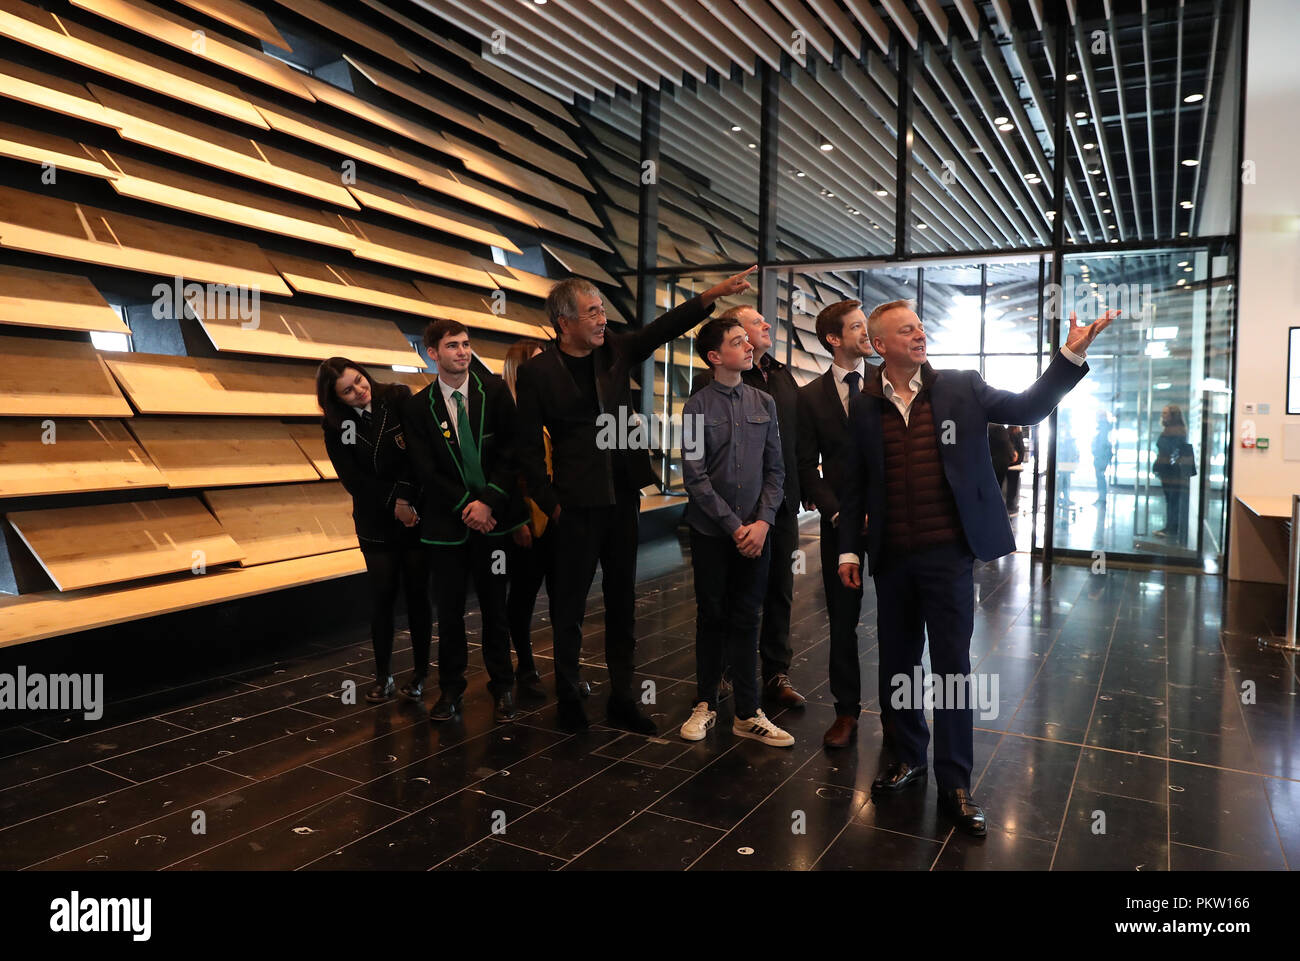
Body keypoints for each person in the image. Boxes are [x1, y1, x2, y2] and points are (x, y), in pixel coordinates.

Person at [837, 300, 1117, 836]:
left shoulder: (960, 386)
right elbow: (855, 485)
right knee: (897, 665)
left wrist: (1069, 356)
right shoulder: (865, 403)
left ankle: (956, 782)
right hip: (892, 557)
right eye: (906, 330)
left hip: (948, 555)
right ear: (879, 345)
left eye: (920, 326)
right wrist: (850, 550)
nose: (920, 335)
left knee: (953, 671)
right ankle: (907, 757)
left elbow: (1029, 407)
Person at [515, 266, 759, 735]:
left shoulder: (617, 351)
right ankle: (569, 698)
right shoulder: (537, 373)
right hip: (574, 504)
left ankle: (622, 698)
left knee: (622, 603)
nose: (602, 319)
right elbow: (525, 447)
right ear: (564, 322)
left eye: (602, 309)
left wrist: (716, 292)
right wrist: (552, 503)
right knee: (568, 606)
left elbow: (665, 327)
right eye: (592, 313)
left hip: (621, 497)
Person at [402, 319, 529, 724]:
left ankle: (503, 687)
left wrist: (488, 502)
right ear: (432, 354)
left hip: (494, 521)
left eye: (466, 344)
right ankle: (451, 692)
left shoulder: (492, 392)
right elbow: (424, 470)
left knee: (496, 608)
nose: (462, 351)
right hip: (447, 528)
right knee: (451, 614)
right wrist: (467, 506)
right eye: (453, 345)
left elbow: (513, 452)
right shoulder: (419, 407)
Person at [679, 315, 793, 747]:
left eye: (747, 340)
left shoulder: (765, 403)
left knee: (748, 619)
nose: (749, 346)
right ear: (714, 356)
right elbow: (695, 476)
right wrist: (734, 527)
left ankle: (747, 712)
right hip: (712, 534)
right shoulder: (695, 407)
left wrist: (762, 523)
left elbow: (776, 471)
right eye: (737, 341)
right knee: (711, 617)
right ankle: (706, 702)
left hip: (757, 535)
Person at [317, 357, 431, 704]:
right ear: (335, 398)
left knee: (417, 596)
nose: (358, 391)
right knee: (382, 597)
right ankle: (383, 676)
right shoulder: (335, 426)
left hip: (414, 513)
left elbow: (418, 455)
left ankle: (421, 674)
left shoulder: (397, 397)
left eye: (359, 381)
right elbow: (353, 480)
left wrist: (406, 500)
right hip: (375, 519)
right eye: (347, 390)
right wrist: (393, 503)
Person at [795, 299, 875, 748]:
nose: (866, 334)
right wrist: (839, 512)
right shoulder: (810, 397)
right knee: (843, 619)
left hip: (891, 518)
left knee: (902, 619)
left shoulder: (887, 382)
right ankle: (846, 711)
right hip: (840, 520)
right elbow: (807, 466)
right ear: (833, 338)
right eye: (858, 327)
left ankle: (902, 714)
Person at [501, 338, 552, 701]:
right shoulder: (510, 413)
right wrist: (518, 520)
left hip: (558, 517)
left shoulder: (553, 407)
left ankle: (565, 670)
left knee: (565, 597)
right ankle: (526, 665)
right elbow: (506, 474)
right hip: (527, 521)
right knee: (523, 596)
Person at [1152, 404, 1196, 544]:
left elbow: (1171, 449)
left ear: (1173, 415)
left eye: (1166, 413)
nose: (1163, 415)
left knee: (1173, 500)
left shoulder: (1176, 431)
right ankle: (1170, 527)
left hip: (1172, 470)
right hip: (1167, 469)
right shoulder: (1170, 429)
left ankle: (1172, 528)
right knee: (1170, 500)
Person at [1092, 411, 1113, 506]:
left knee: (1100, 478)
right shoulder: (1104, 427)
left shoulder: (1103, 426)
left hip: (1101, 458)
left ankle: (1102, 498)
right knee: (1100, 478)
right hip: (1100, 457)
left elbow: (1103, 444)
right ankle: (1101, 498)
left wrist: (1099, 457)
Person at [1005, 425, 1026, 513]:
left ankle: (1010, 505)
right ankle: (1010, 505)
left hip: (1012, 464)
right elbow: (1020, 449)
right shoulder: (1014, 434)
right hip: (1013, 464)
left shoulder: (1008, 433)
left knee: (1011, 486)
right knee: (1012, 486)